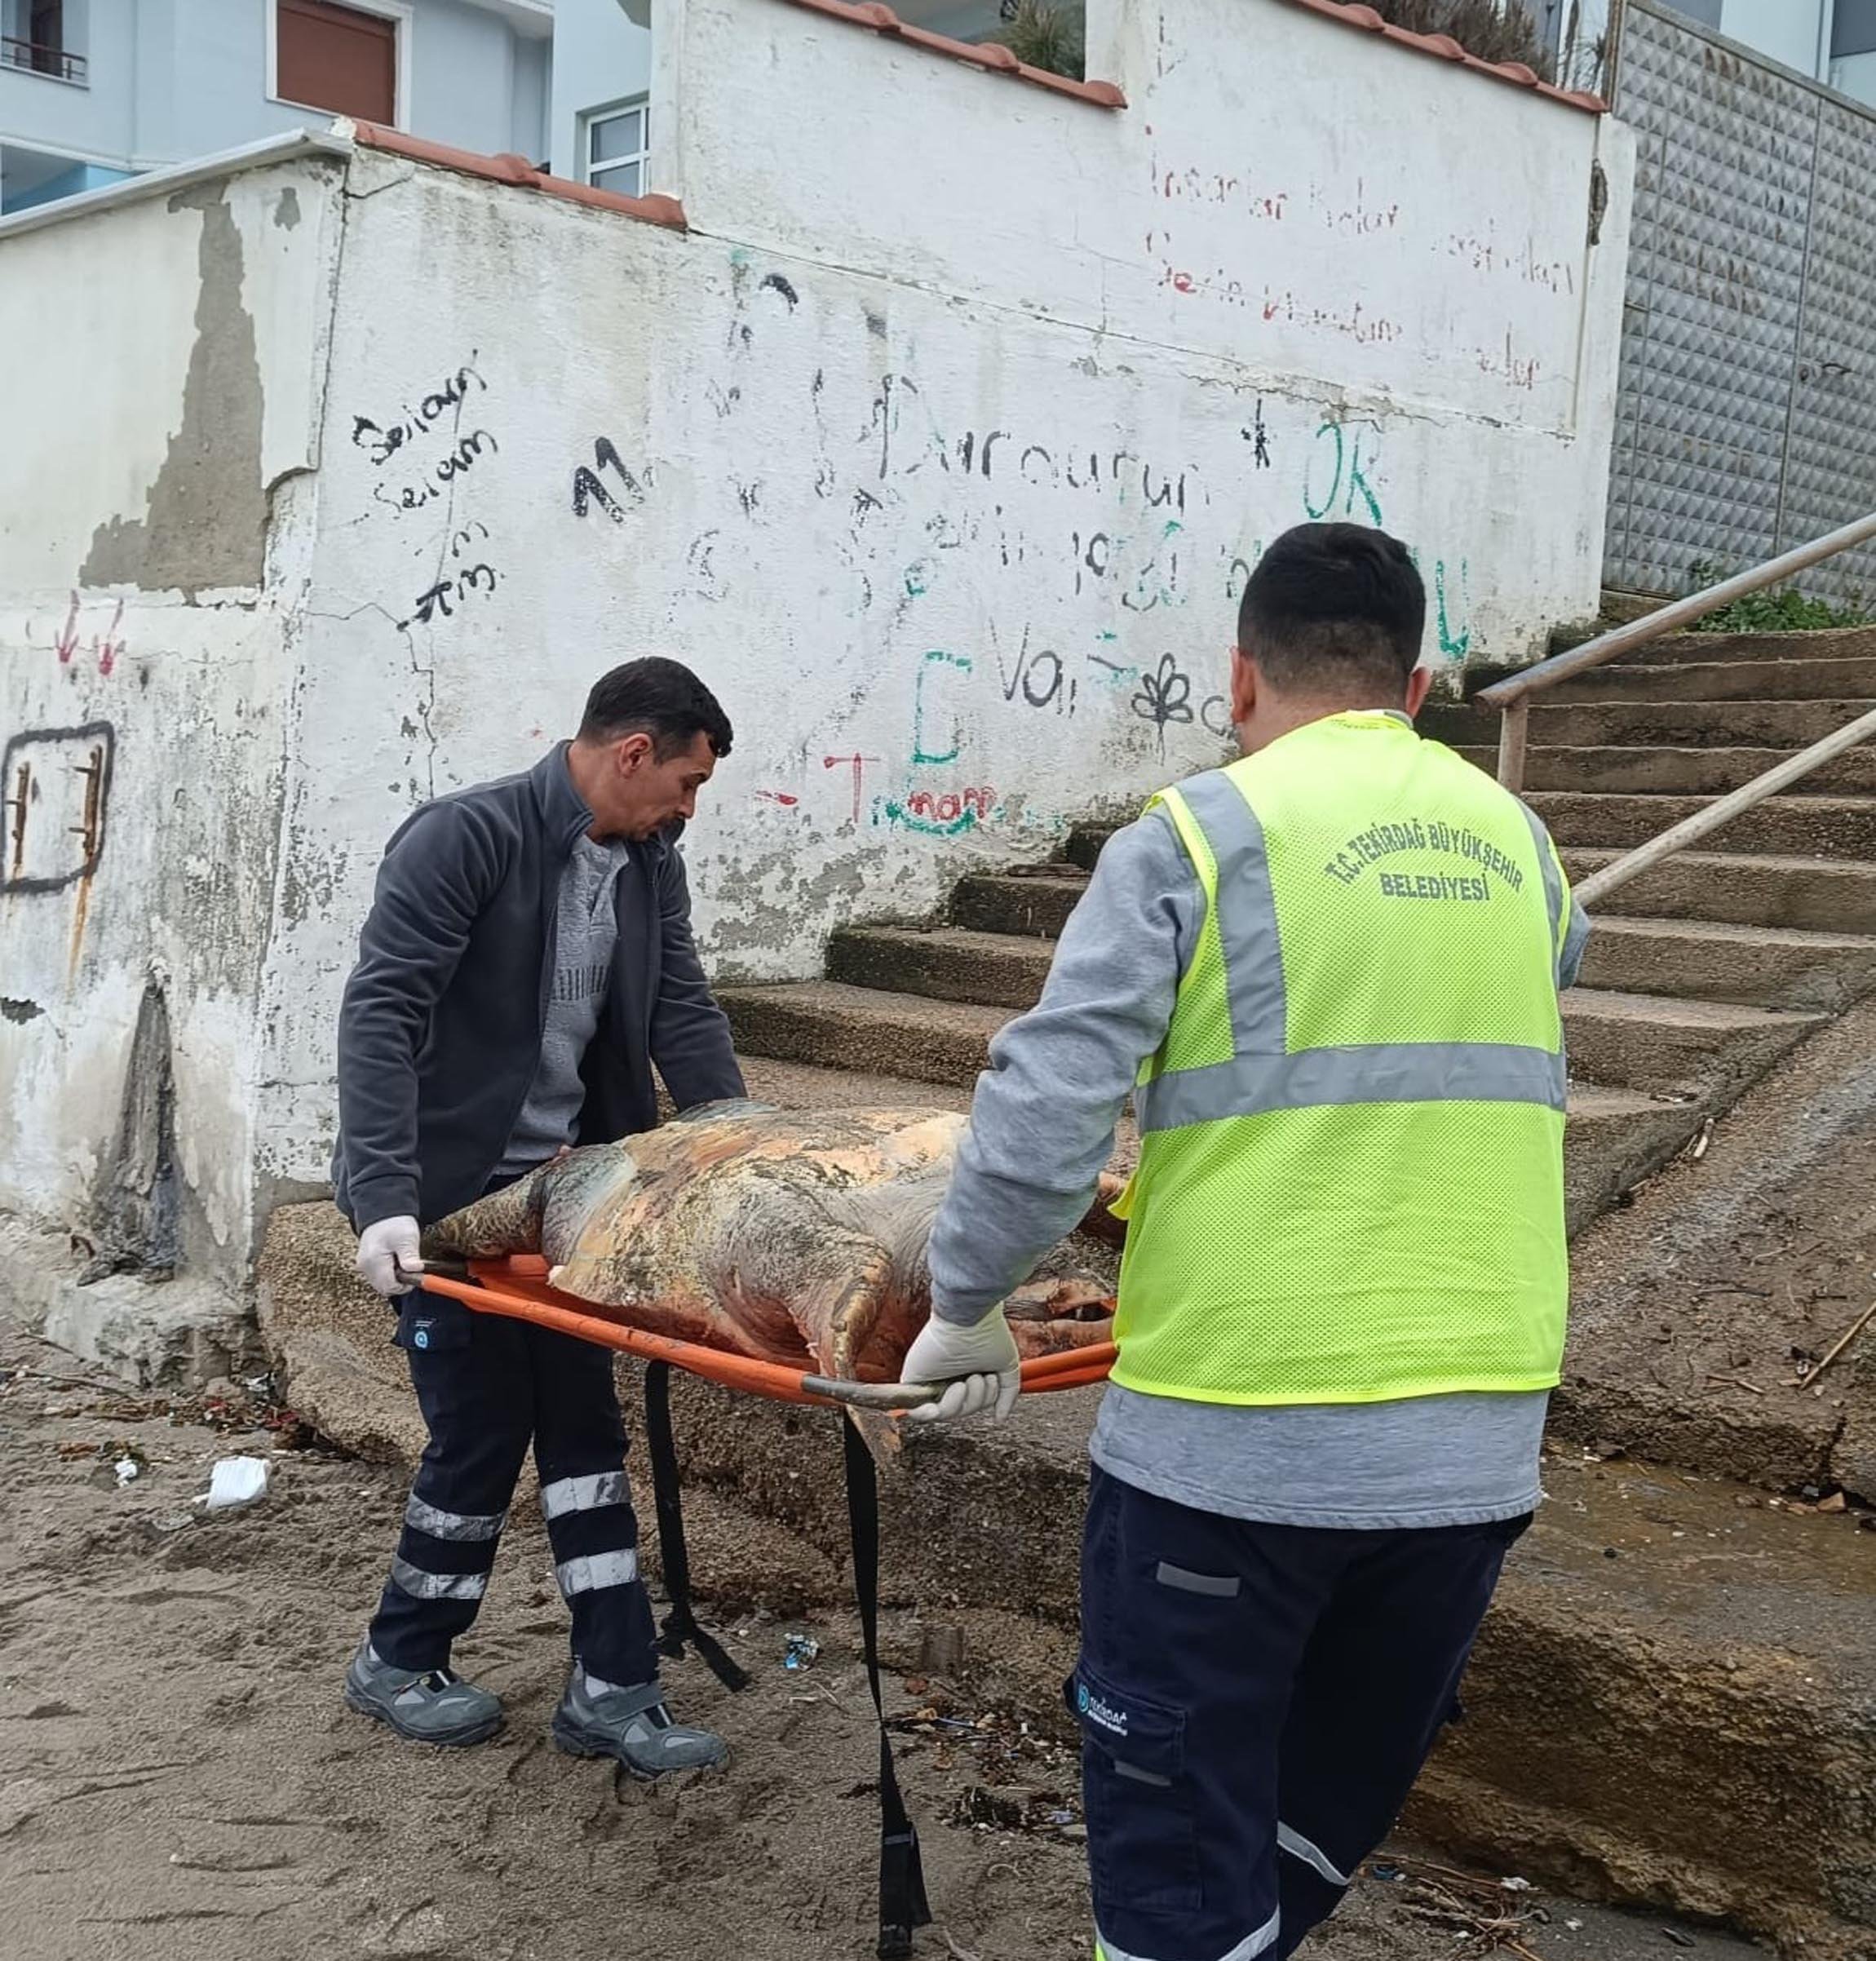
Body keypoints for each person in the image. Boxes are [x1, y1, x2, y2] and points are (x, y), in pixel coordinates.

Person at [900, 523, 1589, 1961]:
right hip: (1471, 1452)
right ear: (1416, 690)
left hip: (1236, 1440)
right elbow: (1536, 979)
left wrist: (966, 1301)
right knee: (1301, 1826)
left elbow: (1045, 1109)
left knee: (1174, 1857)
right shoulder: (1522, 846)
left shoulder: (1197, 837)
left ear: (1238, 674)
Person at [333, 656, 746, 1776]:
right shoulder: (463, 840)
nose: (689, 809)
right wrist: (381, 1198)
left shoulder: (649, 865)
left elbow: (680, 1009)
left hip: (566, 1204)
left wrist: (738, 1147)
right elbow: (381, 1015)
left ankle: (613, 1689)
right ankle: (398, 1657)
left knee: (583, 1434)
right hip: (448, 1208)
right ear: (629, 754)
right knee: (478, 1434)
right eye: (687, 783)